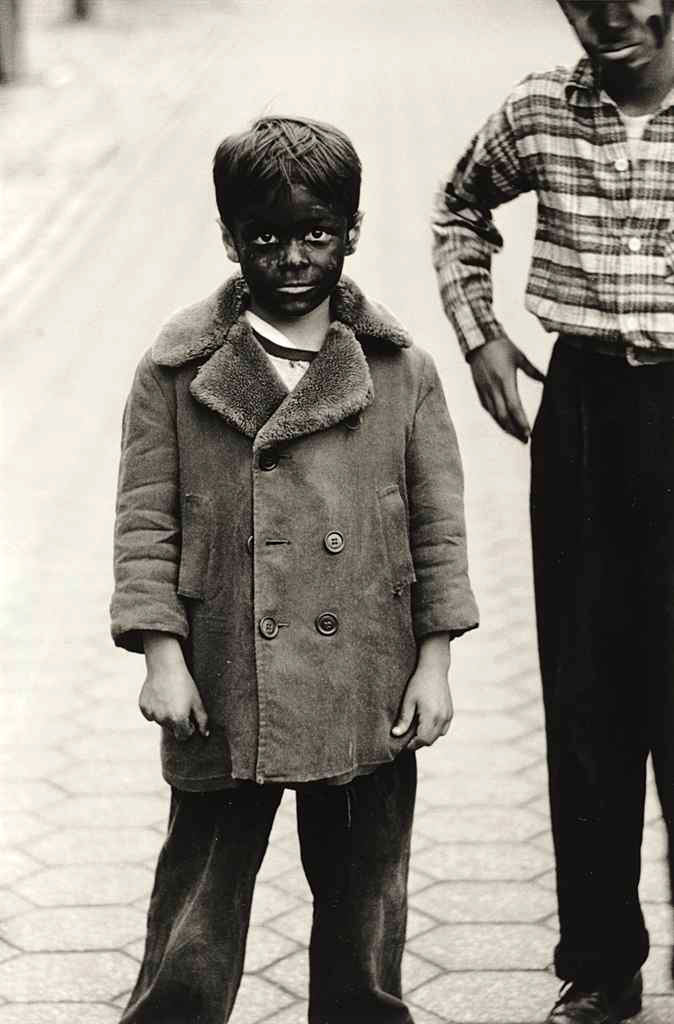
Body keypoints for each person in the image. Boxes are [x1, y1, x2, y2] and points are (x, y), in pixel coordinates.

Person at [111, 114, 478, 1024]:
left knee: (364, 906)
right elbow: (145, 520)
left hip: (366, 678)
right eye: (264, 236)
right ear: (230, 236)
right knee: (197, 904)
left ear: (352, 231)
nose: (291, 257)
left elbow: (437, 532)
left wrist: (434, 662)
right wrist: (161, 652)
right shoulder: (176, 369)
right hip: (225, 673)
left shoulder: (401, 370)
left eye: (316, 233)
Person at [432, 2, 674, 1022]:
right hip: (580, 421)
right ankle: (598, 961)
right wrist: (480, 330)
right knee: (585, 695)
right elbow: (456, 208)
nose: (609, 20)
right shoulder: (539, 108)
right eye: (582, 0)